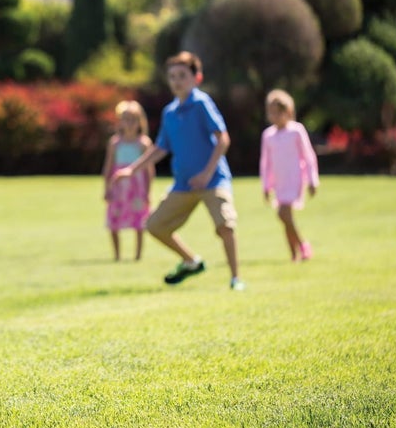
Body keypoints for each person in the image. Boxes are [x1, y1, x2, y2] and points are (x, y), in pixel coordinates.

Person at [111, 51, 245, 291]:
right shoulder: (170, 112)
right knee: (154, 226)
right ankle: (191, 261)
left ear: (197, 78)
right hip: (183, 184)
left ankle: (236, 279)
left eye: (182, 75)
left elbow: (222, 139)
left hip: (213, 181)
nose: (176, 81)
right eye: (172, 76)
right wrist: (132, 170)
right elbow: (161, 148)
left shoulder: (202, 103)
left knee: (225, 225)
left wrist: (206, 173)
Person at [260, 89, 319, 261]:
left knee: (283, 214)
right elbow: (266, 163)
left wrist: (312, 180)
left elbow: (308, 156)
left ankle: (303, 245)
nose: (275, 117)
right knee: (286, 217)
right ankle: (294, 253)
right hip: (280, 181)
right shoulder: (268, 135)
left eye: (278, 113)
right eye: (271, 113)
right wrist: (266, 186)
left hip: (295, 179)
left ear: (288, 112)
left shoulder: (296, 131)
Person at [102, 100, 154, 261]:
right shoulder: (115, 143)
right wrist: (107, 188)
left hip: (137, 189)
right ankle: (116, 255)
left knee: (139, 222)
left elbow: (149, 171)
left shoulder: (143, 143)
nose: (130, 123)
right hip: (119, 188)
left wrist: (148, 192)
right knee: (114, 221)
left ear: (140, 122)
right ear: (120, 122)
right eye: (126, 119)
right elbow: (108, 168)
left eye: (133, 119)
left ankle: (137, 256)